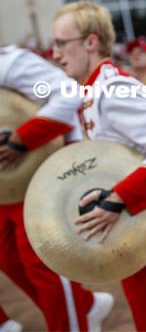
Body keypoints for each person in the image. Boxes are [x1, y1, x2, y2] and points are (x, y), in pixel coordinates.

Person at [51, 0, 146, 331]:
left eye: (62, 43)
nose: (55, 52)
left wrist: (118, 198)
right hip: (136, 233)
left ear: (90, 42)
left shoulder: (114, 90)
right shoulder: (93, 90)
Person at [0, 45, 113, 331]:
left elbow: (68, 93)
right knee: (13, 263)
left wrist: (22, 137)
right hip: (4, 189)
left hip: (34, 177)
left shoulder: (9, 63)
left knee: (44, 267)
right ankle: (85, 307)